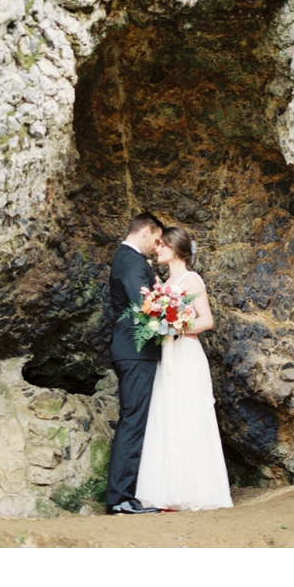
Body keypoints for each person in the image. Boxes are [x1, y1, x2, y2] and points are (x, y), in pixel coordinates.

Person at [135, 226, 233, 511]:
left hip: (185, 353)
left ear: (176, 248)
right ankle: (168, 492)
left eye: (163, 245)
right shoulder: (164, 283)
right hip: (168, 354)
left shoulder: (191, 279)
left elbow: (207, 320)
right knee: (168, 416)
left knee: (187, 416)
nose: (157, 249)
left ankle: (196, 492)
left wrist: (177, 327)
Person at [106, 212, 165, 515]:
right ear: (146, 232)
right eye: (156, 240)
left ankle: (123, 494)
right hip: (134, 350)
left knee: (135, 419)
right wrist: (172, 317)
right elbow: (146, 305)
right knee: (133, 420)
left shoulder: (128, 259)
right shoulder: (130, 261)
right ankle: (119, 499)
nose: (157, 247)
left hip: (133, 350)